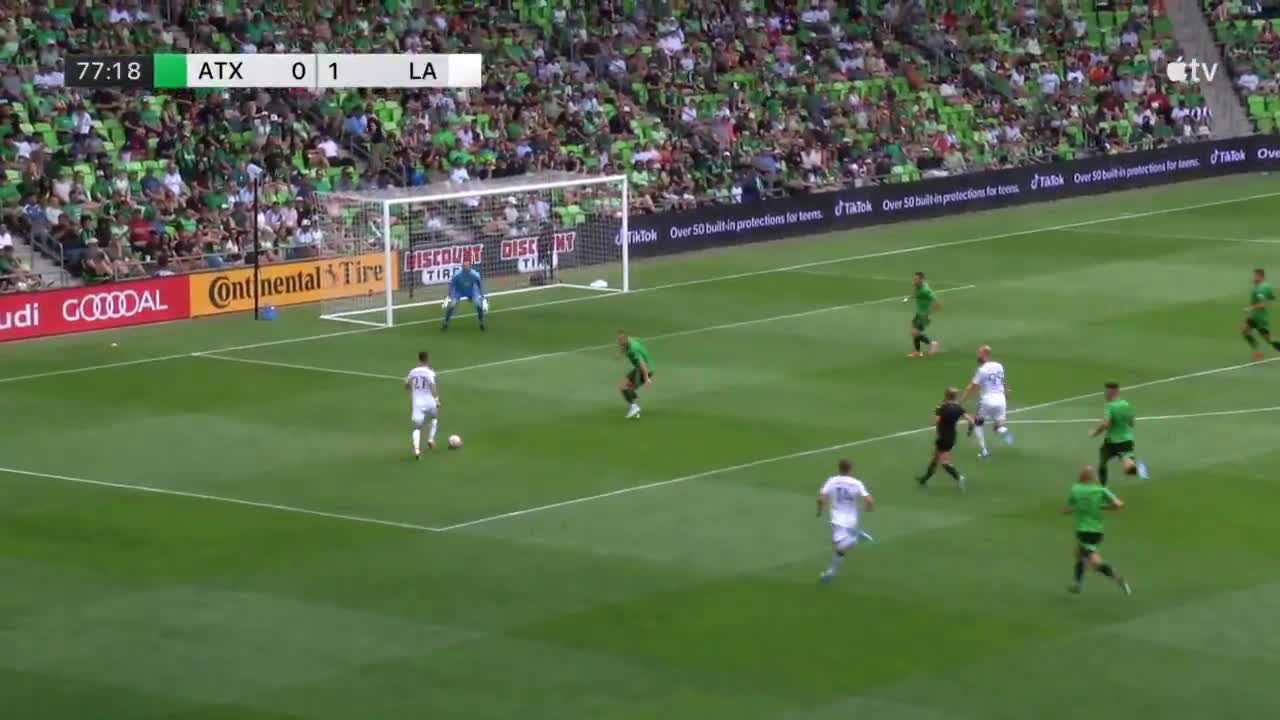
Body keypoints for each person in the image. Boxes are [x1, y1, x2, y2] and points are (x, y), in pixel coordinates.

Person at [1063, 465, 1131, 595]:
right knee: (1079, 554)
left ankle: (1118, 579)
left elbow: (1067, 508)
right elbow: (1118, 504)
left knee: (1095, 561)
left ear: (1082, 476)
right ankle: (1077, 584)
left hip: (1083, 530)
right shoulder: (1100, 489)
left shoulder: (1075, 489)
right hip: (1097, 531)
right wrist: (1102, 507)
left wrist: (1070, 510)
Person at [817, 459, 875, 584]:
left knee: (839, 546)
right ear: (850, 470)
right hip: (851, 519)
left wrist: (820, 510)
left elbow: (820, 498)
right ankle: (831, 572)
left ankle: (853, 539)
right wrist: (869, 508)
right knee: (839, 548)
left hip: (837, 519)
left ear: (839, 469)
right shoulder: (856, 483)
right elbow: (870, 500)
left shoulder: (832, 480)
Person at [1090, 382, 1149, 484]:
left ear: (1113, 392)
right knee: (1128, 466)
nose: (1105, 394)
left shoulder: (1109, 406)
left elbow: (1106, 424)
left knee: (1102, 463)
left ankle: (1103, 487)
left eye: (1106, 392)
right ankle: (1138, 467)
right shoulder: (1126, 404)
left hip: (1111, 442)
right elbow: (1131, 423)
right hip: (1126, 440)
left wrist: (1095, 432)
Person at [961, 345, 1014, 458]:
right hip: (1001, 399)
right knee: (999, 426)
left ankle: (984, 451)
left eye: (978, 353)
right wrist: (1006, 392)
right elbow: (1002, 381)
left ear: (985, 354)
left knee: (978, 423)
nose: (977, 355)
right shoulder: (999, 365)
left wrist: (963, 400)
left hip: (988, 400)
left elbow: (972, 387)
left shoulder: (982, 370)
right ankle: (1003, 430)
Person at [918, 387, 972, 491]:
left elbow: (935, 421)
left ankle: (959, 477)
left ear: (946, 395)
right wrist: (970, 430)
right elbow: (971, 420)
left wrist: (936, 414)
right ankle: (924, 479)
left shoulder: (942, 407)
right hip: (952, 436)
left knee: (944, 462)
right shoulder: (958, 408)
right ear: (955, 396)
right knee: (935, 458)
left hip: (943, 437)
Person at [404, 350, 440, 459]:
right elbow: (433, 385)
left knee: (417, 427)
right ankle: (431, 439)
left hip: (417, 403)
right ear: (427, 359)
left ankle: (416, 450)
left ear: (419, 359)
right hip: (429, 401)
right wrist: (437, 400)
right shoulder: (429, 372)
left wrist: (413, 390)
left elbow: (406, 385)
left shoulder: (412, 371)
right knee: (434, 417)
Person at [1243, 267, 1279, 361]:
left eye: (1255, 276)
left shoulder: (1260, 289)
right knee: (1244, 330)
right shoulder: (1266, 286)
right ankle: (1257, 351)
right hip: (1254, 316)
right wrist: (1268, 302)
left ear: (1260, 276)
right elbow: (1273, 298)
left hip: (1260, 319)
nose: (1253, 278)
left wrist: (1250, 308)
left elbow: (1262, 304)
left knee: (1269, 340)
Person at [441, 259, 486, 332]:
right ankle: (446, 322)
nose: (466, 267)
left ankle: (481, 322)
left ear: (470, 266)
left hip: (471, 291)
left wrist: (482, 295)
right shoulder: (457, 275)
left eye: (467, 266)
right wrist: (449, 294)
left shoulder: (475, 275)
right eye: (464, 266)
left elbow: (479, 284)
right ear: (462, 267)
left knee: (478, 304)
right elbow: (452, 284)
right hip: (459, 291)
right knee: (452, 305)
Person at [617, 332, 654, 419]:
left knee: (625, 388)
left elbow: (643, 364)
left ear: (625, 339)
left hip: (644, 370)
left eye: (620, 340)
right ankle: (634, 406)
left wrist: (646, 378)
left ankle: (634, 406)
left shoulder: (633, 349)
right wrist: (621, 354)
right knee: (627, 388)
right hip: (640, 368)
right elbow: (625, 347)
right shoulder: (629, 341)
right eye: (618, 340)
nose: (618, 342)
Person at [907, 271, 941, 357]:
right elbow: (916, 292)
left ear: (921, 280)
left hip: (925, 315)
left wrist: (930, 314)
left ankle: (932, 343)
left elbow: (938, 303)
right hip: (918, 313)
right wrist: (911, 297)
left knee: (915, 332)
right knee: (914, 333)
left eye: (916, 279)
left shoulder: (926, 290)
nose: (914, 281)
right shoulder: (917, 286)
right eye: (914, 279)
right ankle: (917, 352)